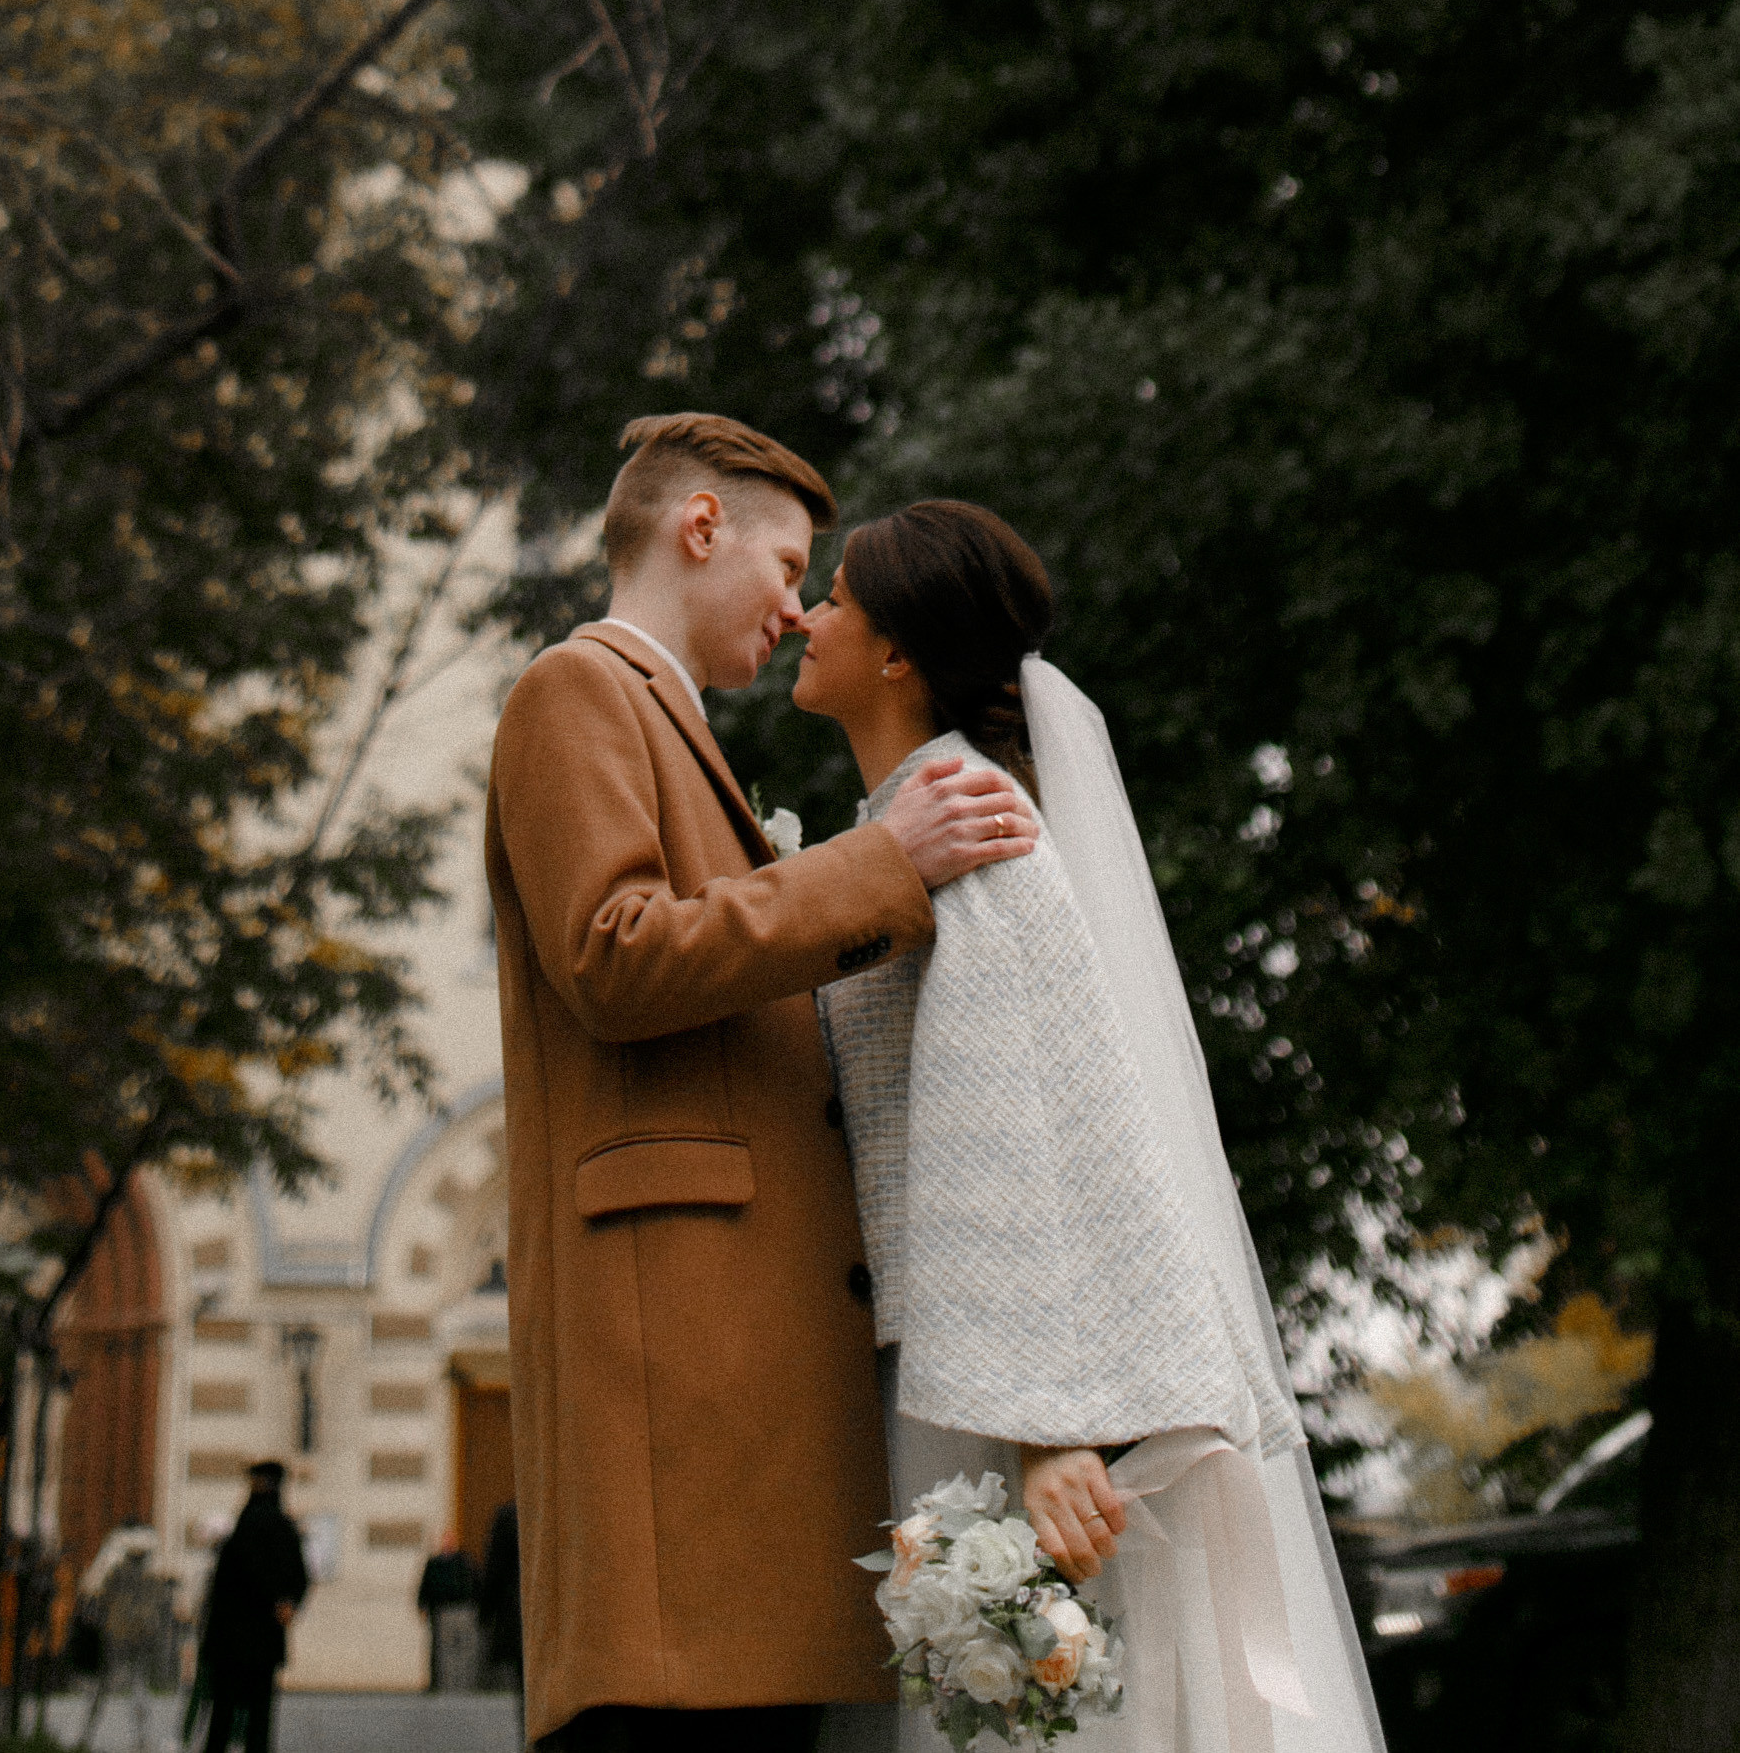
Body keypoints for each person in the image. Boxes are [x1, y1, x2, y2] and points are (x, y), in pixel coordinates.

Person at [485, 410, 1042, 1753]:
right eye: (785, 563)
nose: (795, 610)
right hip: (666, 1402)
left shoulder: (668, 722)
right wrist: (875, 862)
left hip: (723, 1399)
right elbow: (611, 955)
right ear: (697, 528)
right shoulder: (577, 689)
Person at [795, 498, 1387, 1753]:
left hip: (1012, 1399)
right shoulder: (908, 825)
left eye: (835, 597)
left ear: (897, 653)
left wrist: (1056, 1428)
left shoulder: (974, 830)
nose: (805, 615)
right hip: (973, 1369)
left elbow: (1031, 1115)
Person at [195, 1459, 309, 1751]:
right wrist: (287, 1603)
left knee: (223, 1713)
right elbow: (299, 1575)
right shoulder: (284, 1527)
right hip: (264, 1634)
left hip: (231, 1637)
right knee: (260, 1715)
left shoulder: (242, 1528)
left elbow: (226, 1582)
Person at [81, 1524, 173, 1752]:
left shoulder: (116, 1573)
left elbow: (97, 1595)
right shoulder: (151, 1578)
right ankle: (140, 1738)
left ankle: (87, 1734)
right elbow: (161, 1604)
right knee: (138, 1685)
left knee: (105, 1685)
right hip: (141, 1635)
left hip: (118, 1635)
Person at [417, 1529, 482, 1692]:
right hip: (443, 1610)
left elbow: (475, 1585)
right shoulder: (434, 1563)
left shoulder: (464, 1561)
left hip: (463, 1609)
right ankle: (446, 1684)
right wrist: (422, 1605)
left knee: (464, 1650)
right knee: (445, 1651)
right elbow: (425, 1586)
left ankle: (464, 1684)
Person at [475, 1497, 521, 1695]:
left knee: (524, 1682)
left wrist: (485, 1612)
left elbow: (494, 1570)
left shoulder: (509, 1515)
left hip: (518, 1614)